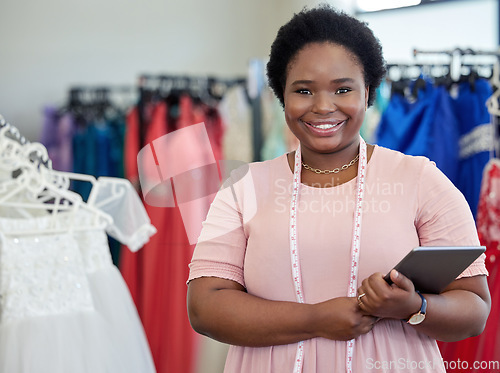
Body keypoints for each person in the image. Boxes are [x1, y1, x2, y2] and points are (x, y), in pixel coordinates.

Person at [186, 5, 491, 372]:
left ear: (369, 92)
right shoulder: (243, 188)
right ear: (283, 96)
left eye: (342, 89)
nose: (323, 106)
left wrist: (414, 306)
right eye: (303, 90)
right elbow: (205, 307)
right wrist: (316, 319)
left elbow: (474, 310)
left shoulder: (421, 180)